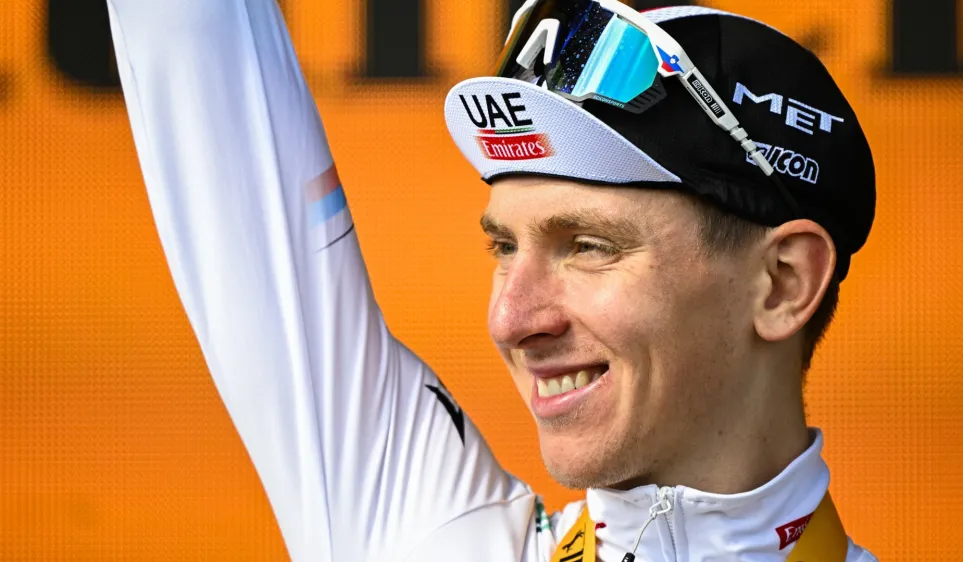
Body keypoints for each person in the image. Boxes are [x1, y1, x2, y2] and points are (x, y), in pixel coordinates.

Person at [107, 0, 877, 559]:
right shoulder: (422, 534)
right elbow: (193, 40)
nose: (512, 318)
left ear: (780, 284)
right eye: (504, 247)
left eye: (587, 246)